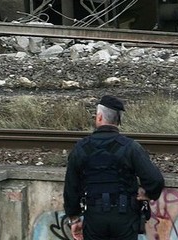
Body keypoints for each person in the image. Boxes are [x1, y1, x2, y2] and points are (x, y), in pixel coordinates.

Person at [63, 95, 165, 240]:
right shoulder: (130, 147)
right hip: (125, 218)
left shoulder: (81, 148)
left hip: (95, 217)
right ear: (118, 121)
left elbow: (71, 187)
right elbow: (155, 180)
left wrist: (74, 218)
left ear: (99, 117)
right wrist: (147, 194)